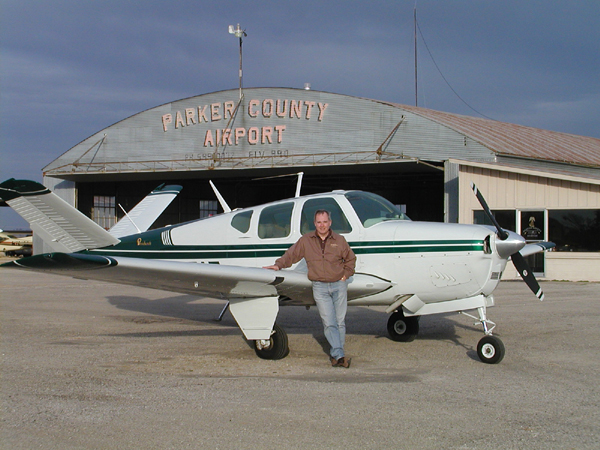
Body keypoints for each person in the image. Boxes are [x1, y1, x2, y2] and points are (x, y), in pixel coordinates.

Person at [264, 209, 356, 368]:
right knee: (329, 322)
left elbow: (351, 259)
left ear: (330, 223)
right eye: (319, 222)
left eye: (325, 222)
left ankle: (337, 355)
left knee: (339, 322)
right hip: (319, 287)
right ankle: (339, 355)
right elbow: (291, 255)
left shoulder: (339, 240)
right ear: (315, 224)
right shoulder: (306, 240)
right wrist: (278, 265)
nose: (322, 225)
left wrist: (345, 275)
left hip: (338, 285)